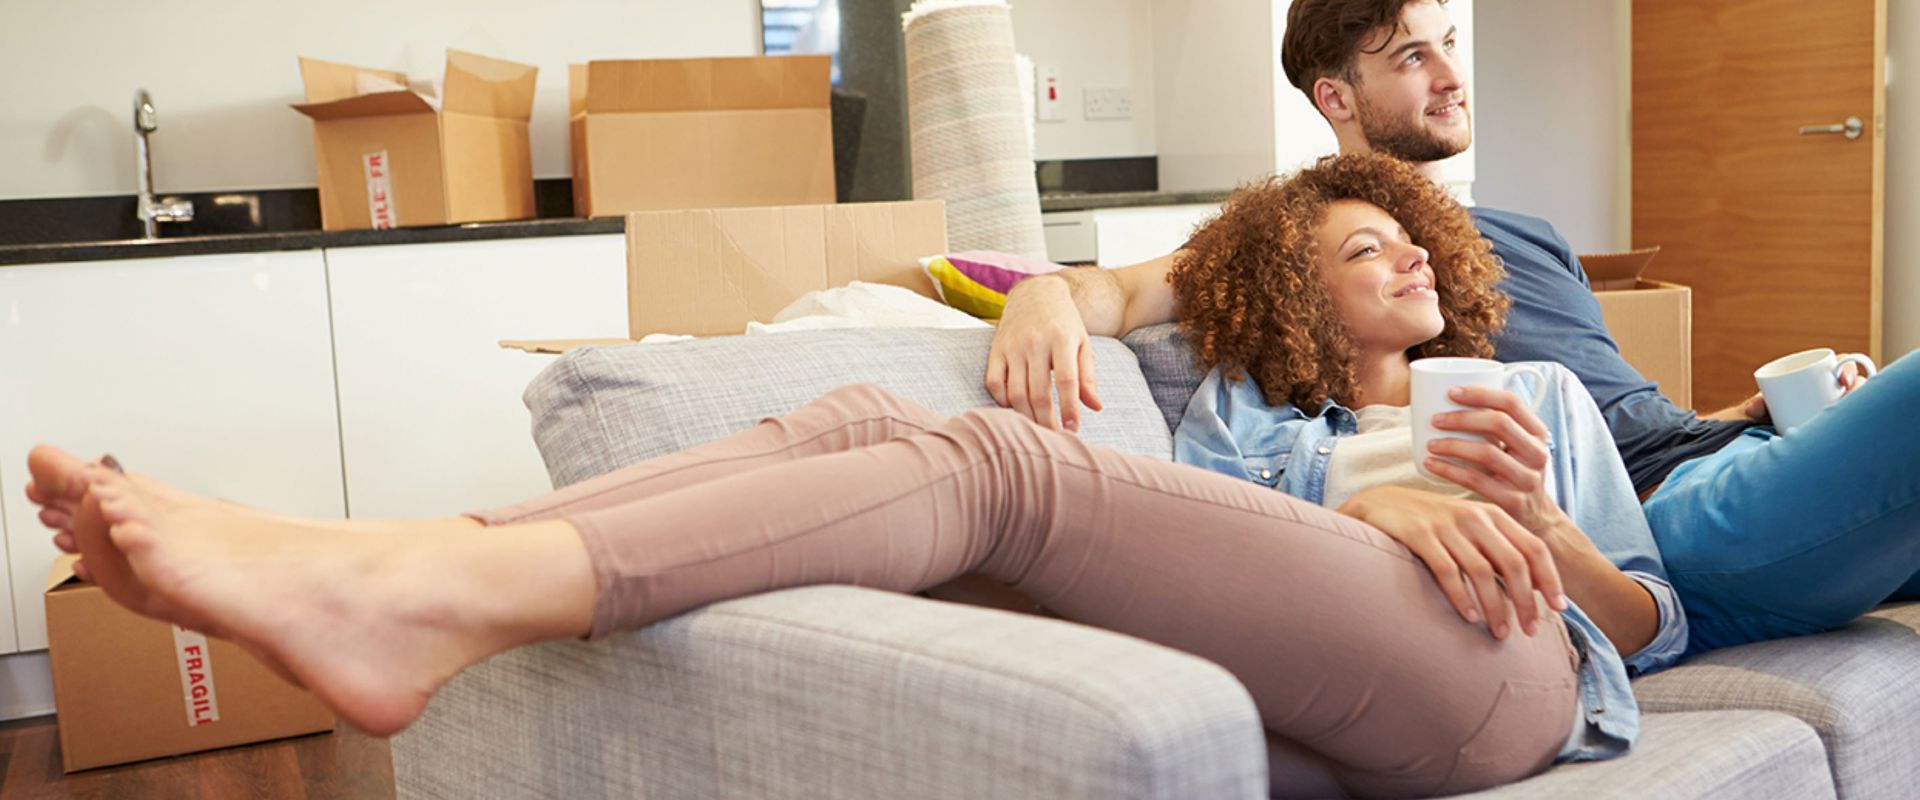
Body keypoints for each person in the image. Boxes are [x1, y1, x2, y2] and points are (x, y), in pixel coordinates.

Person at [26, 155, 1679, 799]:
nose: (1394, 261)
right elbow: (1142, 337)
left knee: (999, 466)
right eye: (1352, 244)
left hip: (1507, 667)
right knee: (850, 425)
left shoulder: (1527, 380)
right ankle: (407, 565)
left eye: (1411, 243)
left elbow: (1652, 622)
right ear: (1283, 291)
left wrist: (1529, 524)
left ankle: (401, 592)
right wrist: (1064, 294)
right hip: (1305, 653)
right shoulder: (1243, 409)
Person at [987, 0, 1918, 652]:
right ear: (1336, 97)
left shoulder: (1524, 236)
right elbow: (1112, 290)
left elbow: (1625, 420)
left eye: (1451, 43)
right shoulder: (1301, 249)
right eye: (1412, 56)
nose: (1452, 75)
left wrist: (1746, 415)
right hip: (1654, 527)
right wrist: (1039, 295)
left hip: (1716, 459)